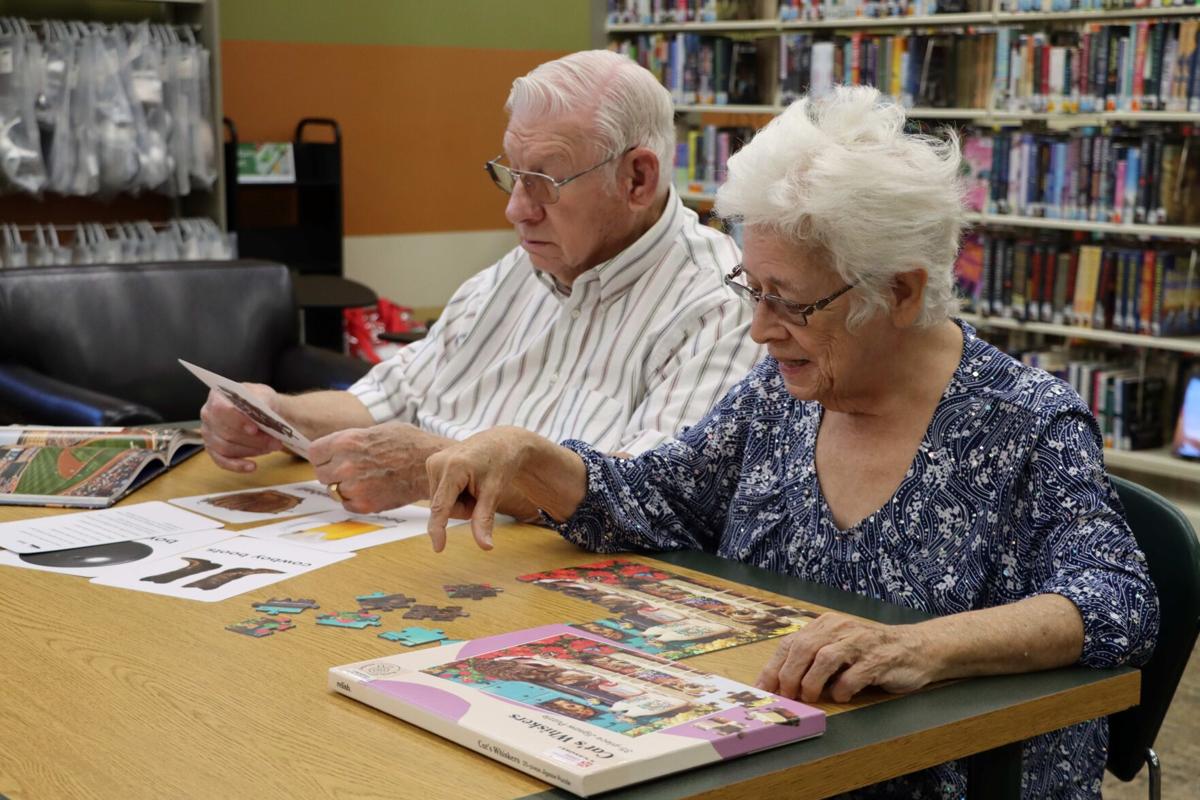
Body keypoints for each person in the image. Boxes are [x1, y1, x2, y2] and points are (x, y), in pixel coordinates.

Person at [424, 86, 1160, 798]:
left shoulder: (1026, 422)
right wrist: (528, 453)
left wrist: (921, 647)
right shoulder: (785, 391)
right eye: (753, 288)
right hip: (772, 767)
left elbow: (1117, 603)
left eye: (791, 301)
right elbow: (664, 499)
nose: (759, 327)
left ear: (900, 292)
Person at [199, 50, 760, 518]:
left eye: (542, 181)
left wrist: (429, 465)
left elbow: (642, 501)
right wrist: (275, 415)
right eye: (511, 175)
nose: (517, 209)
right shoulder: (524, 265)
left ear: (637, 178)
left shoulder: (718, 304)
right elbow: (393, 398)